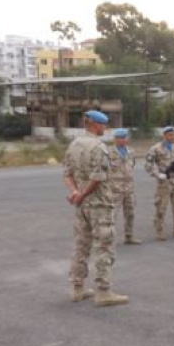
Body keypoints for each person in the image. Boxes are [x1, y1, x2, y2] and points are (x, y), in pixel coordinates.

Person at [63, 110, 128, 306]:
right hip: (99, 205)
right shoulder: (99, 147)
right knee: (104, 247)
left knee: (81, 245)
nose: (105, 128)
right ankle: (103, 292)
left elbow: (67, 174)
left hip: (82, 205)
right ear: (96, 125)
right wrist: (82, 194)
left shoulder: (74, 144)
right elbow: (98, 178)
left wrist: (75, 192)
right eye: (104, 124)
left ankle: (77, 288)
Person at [145, 126, 174, 240]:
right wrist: (157, 174)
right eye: (170, 135)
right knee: (161, 207)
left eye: (173, 135)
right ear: (164, 135)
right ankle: (159, 231)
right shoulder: (156, 148)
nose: (172, 137)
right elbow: (148, 164)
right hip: (164, 182)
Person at [107, 128, 141, 245]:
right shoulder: (109, 152)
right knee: (112, 215)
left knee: (130, 213)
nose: (123, 140)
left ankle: (129, 236)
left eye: (124, 138)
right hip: (115, 188)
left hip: (129, 188)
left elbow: (132, 165)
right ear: (115, 139)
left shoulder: (131, 152)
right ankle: (109, 238)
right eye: (120, 138)